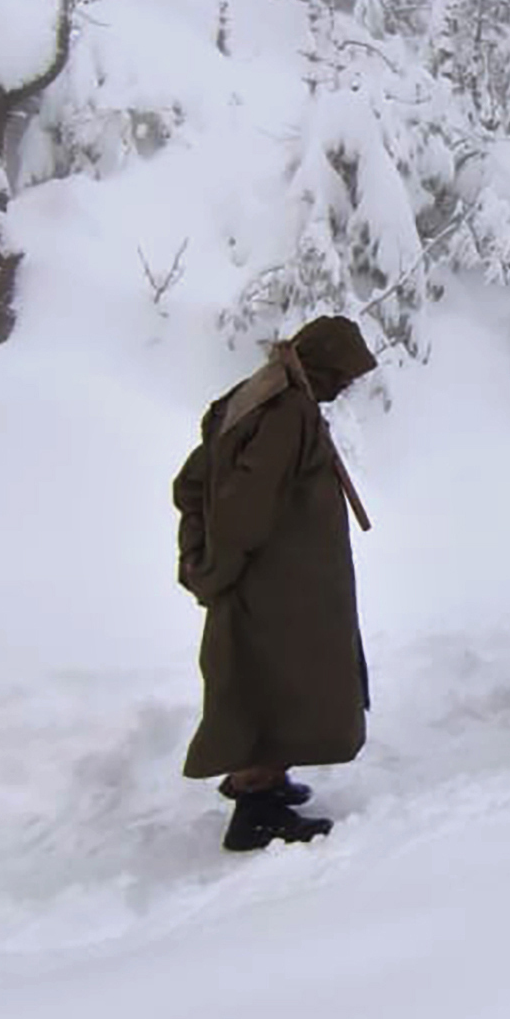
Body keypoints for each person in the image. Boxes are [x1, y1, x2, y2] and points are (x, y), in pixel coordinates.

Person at [173, 315, 379, 852]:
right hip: (281, 585)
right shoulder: (287, 411)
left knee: (268, 682)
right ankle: (255, 807)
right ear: (325, 367)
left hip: (277, 579)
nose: (346, 387)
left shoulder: (254, 396)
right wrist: (218, 565)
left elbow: (193, 481)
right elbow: (246, 499)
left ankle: (266, 779)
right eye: (344, 376)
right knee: (281, 684)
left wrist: (207, 554)